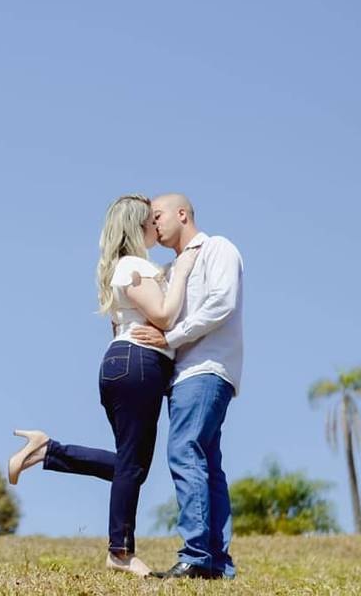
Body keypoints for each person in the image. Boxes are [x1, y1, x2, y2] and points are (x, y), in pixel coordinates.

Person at [7, 194, 198, 577]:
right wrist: (187, 265)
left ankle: (47, 451)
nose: (156, 226)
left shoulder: (128, 268)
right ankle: (120, 552)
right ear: (137, 226)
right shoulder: (131, 265)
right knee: (132, 465)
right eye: (151, 220)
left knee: (131, 466)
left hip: (125, 366)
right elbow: (163, 314)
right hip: (136, 365)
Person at [131, 193, 243, 580]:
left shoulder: (217, 249)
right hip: (183, 376)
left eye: (158, 216)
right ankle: (216, 564)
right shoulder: (173, 267)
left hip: (206, 370)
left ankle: (196, 555)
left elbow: (222, 303)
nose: (153, 224)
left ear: (182, 214)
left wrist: (172, 338)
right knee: (207, 463)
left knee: (184, 451)